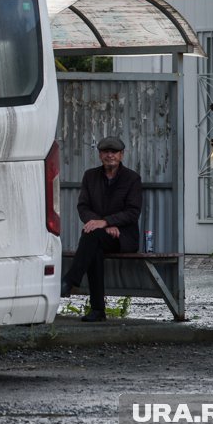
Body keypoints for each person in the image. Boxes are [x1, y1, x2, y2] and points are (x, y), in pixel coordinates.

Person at [60, 136, 142, 322]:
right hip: (100, 235)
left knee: (91, 235)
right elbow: (83, 207)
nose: (110, 155)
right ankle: (98, 311)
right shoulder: (90, 176)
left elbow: (132, 212)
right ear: (100, 155)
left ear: (121, 155)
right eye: (106, 152)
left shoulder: (132, 179)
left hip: (123, 237)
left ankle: (70, 281)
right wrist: (101, 224)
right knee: (94, 244)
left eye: (114, 152)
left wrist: (106, 222)